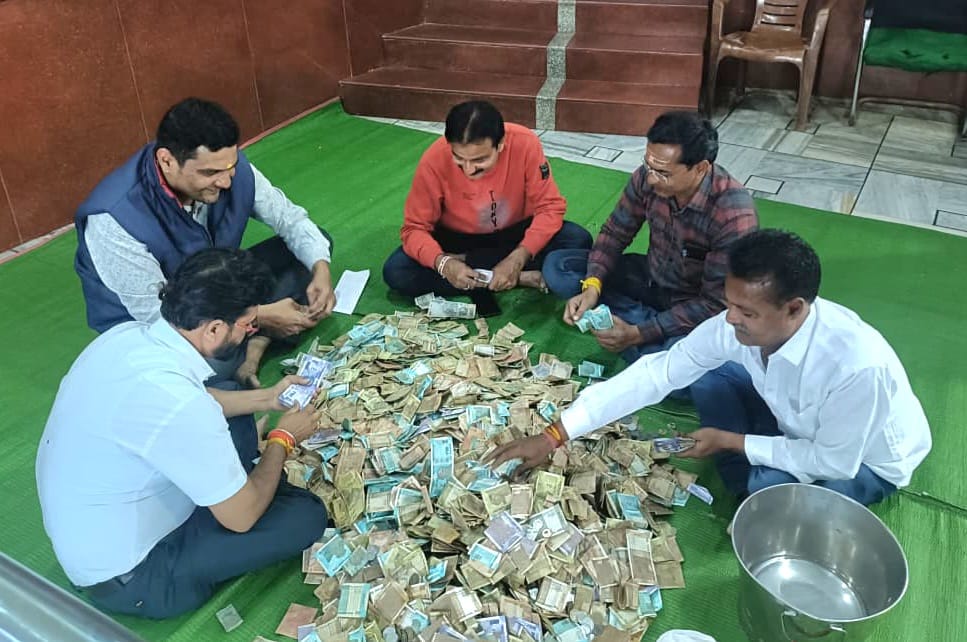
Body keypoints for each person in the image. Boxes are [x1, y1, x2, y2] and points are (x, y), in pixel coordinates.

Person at [491, 230, 932, 506]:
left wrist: (731, 440)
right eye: (729, 303)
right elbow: (660, 372)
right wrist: (554, 435)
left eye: (746, 311)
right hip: (793, 420)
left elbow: (832, 461)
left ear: (795, 309)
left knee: (769, 497)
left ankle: (748, 475)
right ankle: (749, 465)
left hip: (863, 461)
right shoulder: (737, 324)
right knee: (707, 374)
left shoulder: (856, 367)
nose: (730, 319)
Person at [37, 248, 328, 619]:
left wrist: (268, 398)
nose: (250, 332)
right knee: (304, 516)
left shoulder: (125, 337)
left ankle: (236, 483)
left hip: (91, 534)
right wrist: (281, 441)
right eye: (248, 325)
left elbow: (202, 401)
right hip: (138, 579)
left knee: (231, 395)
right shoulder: (179, 405)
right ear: (214, 329)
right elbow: (241, 518)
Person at [74, 97, 336, 385]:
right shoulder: (114, 218)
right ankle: (249, 345)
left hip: (215, 293)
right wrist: (256, 316)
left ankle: (253, 345)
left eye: (230, 167)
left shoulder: (229, 167)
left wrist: (320, 269)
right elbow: (160, 318)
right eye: (210, 173)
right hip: (161, 328)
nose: (225, 182)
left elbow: (291, 220)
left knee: (312, 250)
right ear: (167, 161)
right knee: (205, 373)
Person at [542, 111, 758, 363]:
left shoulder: (733, 215)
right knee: (559, 267)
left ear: (700, 168)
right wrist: (592, 287)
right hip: (651, 279)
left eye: (664, 173)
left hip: (692, 302)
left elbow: (714, 304)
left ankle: (640, 330)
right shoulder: (647, 177)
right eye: (648, 165)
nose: (652, 178)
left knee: (686, 365)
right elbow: (614, 232)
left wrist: (638, 333)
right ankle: (640, 329)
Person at [382, 100, 591, 301]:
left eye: (480, 159)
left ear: (500, 144)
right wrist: (443, 263)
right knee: (398, 270)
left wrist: (518, 257)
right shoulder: (434, 159)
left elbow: (550, 207)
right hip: (457, 238)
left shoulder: (525, 144)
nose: (469, 170)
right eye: (458, 158)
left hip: (515, 233)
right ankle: (514, 278)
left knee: (577, 239)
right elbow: (414, 228)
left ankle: (475, 267)